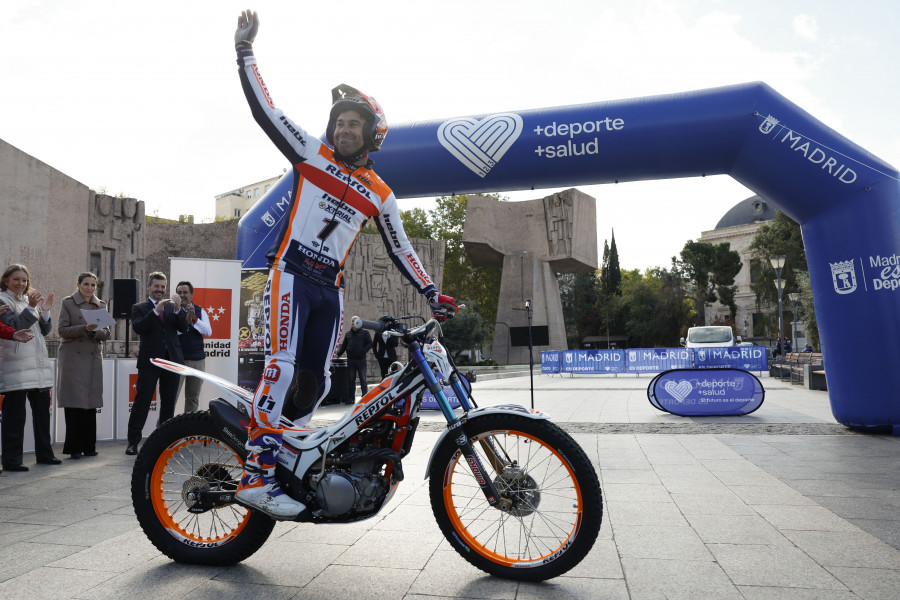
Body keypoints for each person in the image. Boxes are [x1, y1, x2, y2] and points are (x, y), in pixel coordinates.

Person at [231, 10, 458, 518]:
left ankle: (289, 459)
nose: (344, 129)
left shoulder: (381, 192)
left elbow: (401, 249)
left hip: (328, 290)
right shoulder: (312, 155)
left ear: (373, 133)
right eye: (339, 123)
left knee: (315, 383)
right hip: (290, 273)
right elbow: (267, 111)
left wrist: (430, 292)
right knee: (281, 366)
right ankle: (256, 474)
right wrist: (245, 52)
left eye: (355, 124)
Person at [0, 264, 60, 471]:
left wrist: (44, 312)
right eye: (16, 279)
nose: (21, 284)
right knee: (15, 417)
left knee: (43, 415)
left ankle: (45, 454)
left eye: (24, 280)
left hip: (38, 364)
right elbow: (14, 327)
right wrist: (30, 308)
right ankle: (12, 460)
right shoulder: (2, 300)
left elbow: (44, 330)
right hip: (15, 365)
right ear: (6, 280)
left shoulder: (29, 300)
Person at [126, 272, 188, 456]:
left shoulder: (172, 307)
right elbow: (138, 327)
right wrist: (155, 311)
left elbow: (183, 328)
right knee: (142, 402)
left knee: (168, 403)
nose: (160, 290)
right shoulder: (139, 307)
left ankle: (165, 443)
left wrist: (178, 311)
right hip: (150, 361)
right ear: (149, 287)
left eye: (162, 287)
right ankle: (133, 442)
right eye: (156, 287)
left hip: (172, 360)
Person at [56, 272, 111, 459]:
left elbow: (107, 333)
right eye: (86, 284)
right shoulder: (68, 303)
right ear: (78, 284)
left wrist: (96, 332)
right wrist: (83, 328)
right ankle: (74, 448)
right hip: (73, 359)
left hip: (93, 359)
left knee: (90, 404)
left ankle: (89, 446)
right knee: (74, 405)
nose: (89, 288)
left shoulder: (101, 305)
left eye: (93, 285)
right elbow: (62, 331)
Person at [174, 281, 212, 413]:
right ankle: (163, 429)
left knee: (193, 399)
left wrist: (195, 319)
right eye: (179, 293)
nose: (182, 295)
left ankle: (187, 430)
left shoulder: (201, 311)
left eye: (185, 292)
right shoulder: (171, 310)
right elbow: (172, 332)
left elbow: (208, 332)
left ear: (191, 294)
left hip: (197, 361)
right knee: (171, 398)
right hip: (177, 361)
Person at [336, 316, 373, 400]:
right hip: (351, 360)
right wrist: (338, 354)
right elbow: (343, 346)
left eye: (355, 320)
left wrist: (363, 352)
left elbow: (370, 343)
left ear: (359, 321)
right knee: (351, 380)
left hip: (361, 360)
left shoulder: (365, 333)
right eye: (352, 321)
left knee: (363, 379)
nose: (353, 322)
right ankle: (351, 398)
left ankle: (365, 398)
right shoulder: (348, 334)